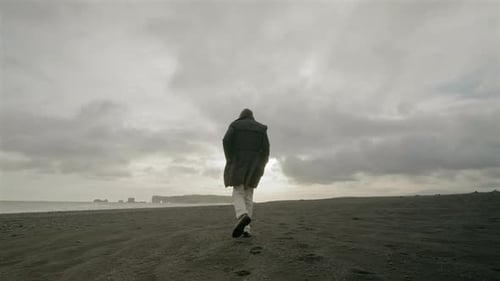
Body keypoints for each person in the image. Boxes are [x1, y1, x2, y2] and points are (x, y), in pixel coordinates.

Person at [223, 108, 270, 238]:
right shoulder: (261, 129)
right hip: (255, 165)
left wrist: (229, 158)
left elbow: (226, 141)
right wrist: (262, 165)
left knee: (238, 191)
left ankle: (242, 215)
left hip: (238, 163)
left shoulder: (235, 125)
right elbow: (266, 150)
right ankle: (246, 229)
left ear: (241, 116)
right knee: (248, 195)